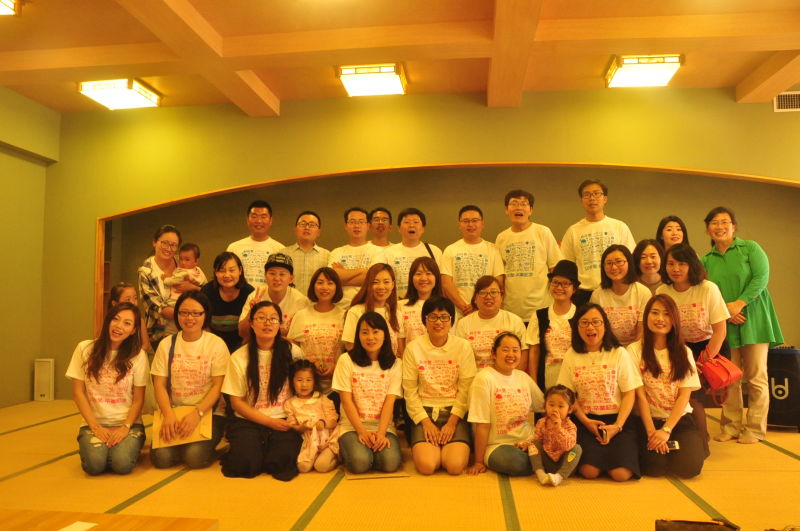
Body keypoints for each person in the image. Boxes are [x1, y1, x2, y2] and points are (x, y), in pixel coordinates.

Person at [702, 207, 783, 444]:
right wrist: (727, 312)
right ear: (707, 229)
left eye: (724, 222)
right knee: (729, 377)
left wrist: (739, 304)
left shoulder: (750, 248)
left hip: (754, 318)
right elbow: (707, 292)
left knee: (756, 376)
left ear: (734, 226)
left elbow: (761, 278)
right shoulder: (706, 260)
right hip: (725, 322)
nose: (720, 227)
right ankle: (731, 426)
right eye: (714, 223)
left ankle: (755, 429)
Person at [657, 243, 730, 455]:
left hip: (708, 348)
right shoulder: (662, 291)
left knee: (692, 398)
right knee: (680, 397)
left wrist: (702, 362)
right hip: (678, 349)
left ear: (692, 265)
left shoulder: (708, 288)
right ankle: (688, 440)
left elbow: (720, 331)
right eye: (671, 264)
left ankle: (701, 445)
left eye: (682, 264)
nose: (675, 269)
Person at [557, 303, 642, 481]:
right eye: (584, 322)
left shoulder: (619, 353)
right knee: (589, 471)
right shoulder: (572, 355)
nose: (590, 327)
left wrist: (617, 426)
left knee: (621, 474)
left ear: (605, 325)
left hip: (618, 420)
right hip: (586, 420)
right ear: (577, 327)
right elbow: (568, 395)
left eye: (596, 322)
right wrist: (586, 422)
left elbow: (629, 393)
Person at [221, 301, 305, 480]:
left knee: (281, 462)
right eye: (261, 318)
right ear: (251, 323)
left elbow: (303, 389)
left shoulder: (293, 352)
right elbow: (236, 402)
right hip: (249, 419)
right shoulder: (239, 357)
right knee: (246, 463)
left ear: (280, 324)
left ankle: (265, 448)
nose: (268, 323)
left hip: (284, 418)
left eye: (273, 319)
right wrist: (269, 422)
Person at [65, 302, 148, 475]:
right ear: (108, 320)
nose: (119, 326)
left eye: (127, 323)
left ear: (133, 330)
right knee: (94, 465)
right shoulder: (85, 349)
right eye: (115, 319)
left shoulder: (138, 355)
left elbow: (139, 399)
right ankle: (106, 451)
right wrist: (95, 427)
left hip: (128, 425)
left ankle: (124, 449)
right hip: (94, 423)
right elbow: (78, 393)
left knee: (121, 464)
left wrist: (125, 427)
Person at [150, 292, 229, 469]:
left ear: (205, 315)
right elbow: (159, 384)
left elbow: (218, 386)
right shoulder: (166, 344)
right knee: (162, 459)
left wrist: (197, 413)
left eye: (196, 313)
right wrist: (168, 414)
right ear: (177, 314)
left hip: (208, 412)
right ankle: (183, 446)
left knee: (195, 457)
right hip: (174, 410)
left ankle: (215, 449)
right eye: (184, 313)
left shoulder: (216, 344)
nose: (189, 318)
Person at [629, 295, 704, 478]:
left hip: (678, 420)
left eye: (666, 314)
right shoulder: (634, 350)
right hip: (648, 420)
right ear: (646, 316)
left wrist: (666, 430)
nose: (660, 319)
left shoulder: (684, 351)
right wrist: (652, 433)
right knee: (654, 468)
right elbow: (640, 397)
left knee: (689, 468)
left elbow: (684, 395)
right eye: (655, 313)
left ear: (674, 319)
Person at [402, 297, 477, 475]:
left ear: (451, 321)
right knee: (427, 466)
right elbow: (410, 391)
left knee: (454, 466)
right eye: (433, 317)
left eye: (444, 317)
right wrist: (426, 423)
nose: (438, 322)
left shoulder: (463, 346)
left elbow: (466, 388)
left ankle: (447, 447)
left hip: (454, 413)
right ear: (425, 320)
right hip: (424, 413)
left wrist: (452, 423)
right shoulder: (413, 348)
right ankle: (435, 448)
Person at [331, 311, 403, 474]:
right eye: (365, 332)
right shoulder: (346, 360)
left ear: (385, 335)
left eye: (375, 332)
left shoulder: (395, 364)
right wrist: (362, 432)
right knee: (360, 463)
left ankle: (369, 451)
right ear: (358, 336)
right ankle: (352, 451)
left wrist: (381, 434)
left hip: (383, 427)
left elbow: (390, 402)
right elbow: (346, 401)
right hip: (352, 426)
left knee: (390, 463)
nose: (370, 337)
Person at [467, 332, 544, 476]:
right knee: (517, 463)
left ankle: (539, 461)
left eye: (515, 350)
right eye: (505, 350)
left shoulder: (523, 377)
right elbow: (482, 425)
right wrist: (478, 461)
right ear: (493, 353)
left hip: (528, 440)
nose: (511, 355)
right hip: (498, 445)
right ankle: (540, 462)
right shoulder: (484, 379)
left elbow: (544, 406)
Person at [561, 180, 635, 307]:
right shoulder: (573, 231)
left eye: (596, 193)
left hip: (615, 289)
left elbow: (631, 259)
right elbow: (567, 267)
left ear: (605, 198)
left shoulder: (619, 227)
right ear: (581, 200)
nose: (592, 198)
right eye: (587, 195)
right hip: (583, 293)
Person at [495, 190, 562, 322]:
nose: (519, 207)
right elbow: (499, 275)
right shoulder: (501, 238)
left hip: (541, 307)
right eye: (514, 203)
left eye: (524, 204)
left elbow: (555, 268)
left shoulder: (542, 232)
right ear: (506, 210)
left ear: (530, 210)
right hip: (510, 309)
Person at [287, 267, 346, 394]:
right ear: (313, 286)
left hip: (337, 384)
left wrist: (335, 368)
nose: (325, 287)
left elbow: (350, 351)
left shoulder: (344, 315)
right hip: (306, 386)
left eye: (330, 283)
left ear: (337, 287)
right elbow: (293, 348)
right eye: (320, 282)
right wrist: (310, 363)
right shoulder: (301, 315)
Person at [441, 205, 504, 318]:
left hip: (487, 311)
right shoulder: (450, 250)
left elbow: (499, 281)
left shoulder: (493, 250)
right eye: (466, 221)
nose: (470, 224)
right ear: (459, 224)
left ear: (482, 224)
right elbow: (446, 283)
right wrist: (464, 307)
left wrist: (479, 306)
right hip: (459, 313)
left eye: (475, 220)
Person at [454, 276, 528, 370]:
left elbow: (524, 354)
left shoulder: (515, 321)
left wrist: (513, 378)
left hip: (508, 376)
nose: (488, 297)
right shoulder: (463, 324)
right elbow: (461, 357)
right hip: (475, 377)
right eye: (483, 293)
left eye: (494, 292)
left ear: (501, 297)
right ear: (475, 298)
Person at [526, 260, 579, 389]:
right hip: (547, 378)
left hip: (575, 377)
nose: (559, 288)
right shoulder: (539, 316)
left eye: (565, 284)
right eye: (555, 282)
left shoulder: (582, 315)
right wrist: (534, 384)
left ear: (574, 289)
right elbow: (534, 352)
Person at [138, 225, 195, 345]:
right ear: (155, 242)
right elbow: (155, 308)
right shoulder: (146, 271)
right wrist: (187, 315)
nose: (169, 248)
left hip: (188, 329)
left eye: (173, 245)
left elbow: (201, 285)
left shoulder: (183, 261)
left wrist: (194, 288)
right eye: (164, 243)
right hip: (160, 332)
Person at [284, 359, 340, 473]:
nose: (304, 384)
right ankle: (316, 456)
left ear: (314, 382)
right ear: (292, 381)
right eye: (299, 380)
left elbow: (334, 420)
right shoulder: (290, 403)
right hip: (309, 443)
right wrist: (301, 428)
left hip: (327, 440)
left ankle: (337, 457)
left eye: (308, 380)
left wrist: (323, 423)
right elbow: (292, 424)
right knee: (303, 468)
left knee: (321, 466)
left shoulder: (322, 399)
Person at [589, 245, 651, 345]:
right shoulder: (597, 294)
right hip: (607, 347)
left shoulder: (643, 292)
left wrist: (632, 351)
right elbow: (597, 330)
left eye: (619, 262)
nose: (614, 267)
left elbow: (641, 331)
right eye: (609, 263)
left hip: (635, 348)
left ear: (629, 263)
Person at [238, 253, 310, 338]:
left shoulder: (300, 301)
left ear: (291, 279)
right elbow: (242, 333)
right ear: (265, 276)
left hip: (288, 345)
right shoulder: (255, 296)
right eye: (272, 273)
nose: (277, 278)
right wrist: (252, 311)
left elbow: (304, 336)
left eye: (282, 274)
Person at [329, 207, 387, 309]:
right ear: (346, 226)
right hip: (340, 307)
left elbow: (374, 278)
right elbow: (331, 278)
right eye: (352, 222)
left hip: (369, 306)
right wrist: (363, 271)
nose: (356, 226)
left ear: (368, 226)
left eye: (361, 222)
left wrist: (342, 275)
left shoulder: (378, 251)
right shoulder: (336, 252)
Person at [342, 263, 405, 356]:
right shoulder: (356, 311)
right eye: (375, 282)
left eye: (386, 282)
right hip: (363, 364)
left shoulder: (396, 314)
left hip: (390, 365)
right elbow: (350, 346)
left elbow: (400, 351)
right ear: (368, 284)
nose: (381, 287)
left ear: (393, 285)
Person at [201, 251, 255, 354]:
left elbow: (250, 331)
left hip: (242, 346)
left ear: (240, 270)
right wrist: (214, 347)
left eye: (232, 270)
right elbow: (203, 324)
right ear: (215, 272)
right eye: (222, 270)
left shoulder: (249, 293)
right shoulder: (207, 291)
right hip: (212, 345)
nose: (227, 275)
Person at [384, 208, 442, 297]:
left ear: (423, 228)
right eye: (406, 222)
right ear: (399, 228)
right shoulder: (388, 253)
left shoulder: (434, 251)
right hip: (398, 303)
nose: (411, 225)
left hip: (429, 303)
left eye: (416, 222)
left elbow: (441, 281)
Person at [531, 385, 582, 486]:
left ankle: (559, 477)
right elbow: (537, 440)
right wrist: (525, 444)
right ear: (545, 405)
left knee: (576, 448)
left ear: (570, 409)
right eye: (551, 405)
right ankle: (540, 474)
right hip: (546, 463)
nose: (555, 409)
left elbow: (568, 446)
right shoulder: (541, 422)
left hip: (565, 464)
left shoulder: (570, 425)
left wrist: (559, 428)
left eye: (560, 406)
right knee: (533, 444)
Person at [227, 200, 285, 287]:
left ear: (270, 220)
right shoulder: (234, 248)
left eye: (263, 217)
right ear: (247, 220)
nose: (259, 221)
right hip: (241, 295)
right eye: (254, 216)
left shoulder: (280, 249)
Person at [280, 211, 330, 296]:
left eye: (312, 225)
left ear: (318, 232)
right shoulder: (283, 254)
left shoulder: (327, 256)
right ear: (295, 229)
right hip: (290, 303)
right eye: (302, 224)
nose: (307, 227)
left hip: (316, 303)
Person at [399, 257, 444, 345]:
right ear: (411, 278)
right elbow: (399, 341)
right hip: (409, 353)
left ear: (436, 277)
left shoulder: (445, 305)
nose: (423, 278)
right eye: (418, 274)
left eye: (428, 273)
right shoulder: (400, 306)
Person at [107, 281, 152, 354]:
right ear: (115, 303)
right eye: (128, 299)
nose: (133, 302)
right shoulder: (110, 322)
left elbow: (146, 345)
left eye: (135, 298)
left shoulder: (139, 321)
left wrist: (135, 356)